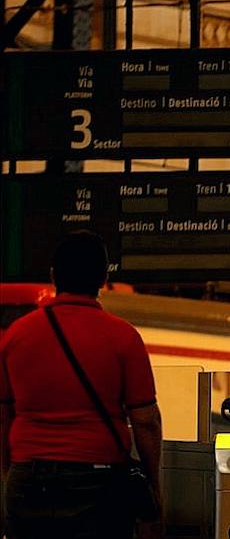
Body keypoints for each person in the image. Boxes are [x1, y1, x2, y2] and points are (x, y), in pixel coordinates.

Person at [0, 231, 164, 539]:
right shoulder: (123, 337)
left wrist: (9, 474)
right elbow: (146, 421)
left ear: (53, 276)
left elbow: (4, 416)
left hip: (28, 481)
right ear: (103, 278)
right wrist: (154, 491)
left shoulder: (16, 336)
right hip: (97, 484)